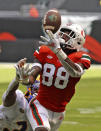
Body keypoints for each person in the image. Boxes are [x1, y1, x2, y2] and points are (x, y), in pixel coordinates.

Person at [22, 23, 91, 131]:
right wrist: (26, 79)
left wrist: (58, 52)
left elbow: (75, 72)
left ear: (78, 40)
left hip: (59, 112)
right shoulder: (45, 51)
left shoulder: (82, 56)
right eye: (62, 33)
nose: (62, 36)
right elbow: (34, 73)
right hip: (40, 104)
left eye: (68, 35)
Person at [0, 58, 40, 131]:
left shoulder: (42, 111)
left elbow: (10, 94)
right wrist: (17, 79)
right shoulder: (21, 101)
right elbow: (10, 94)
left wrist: (17, 79)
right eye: (36, 90)